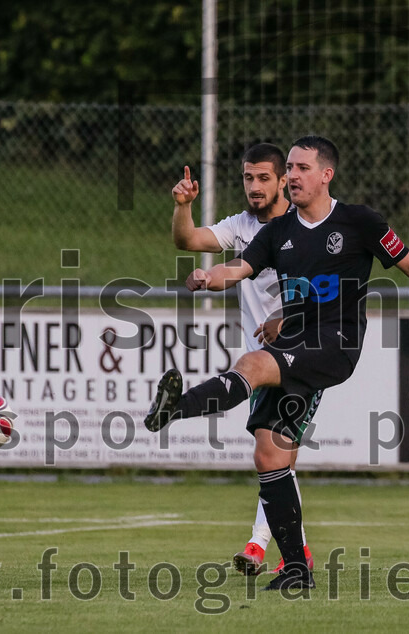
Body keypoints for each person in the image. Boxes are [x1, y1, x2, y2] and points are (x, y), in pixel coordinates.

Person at [146, 135, 409, 591]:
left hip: (335, 345)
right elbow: (239, 268)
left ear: (326, 174)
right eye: (291, 168)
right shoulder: (276, 233)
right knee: (270, 454)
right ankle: (297, 570)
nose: (294, 176)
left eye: (301, 168)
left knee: (253, 363)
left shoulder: (359, 221)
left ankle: (176, 408)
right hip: (296, 350)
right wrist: (209, 275)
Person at [168, 143, 315, 577]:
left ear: (284, 181)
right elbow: (188, 240)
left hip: (306, 355)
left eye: (263, 178)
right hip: (264, 361)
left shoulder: (304, 225)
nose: (254, 186)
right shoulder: (242, 226)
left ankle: (259, 543)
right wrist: (183, 208)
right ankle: (296, 554)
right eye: (248, 178)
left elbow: (328, 290)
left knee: (275, 454)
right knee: (276, 456)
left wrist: (286, 314)